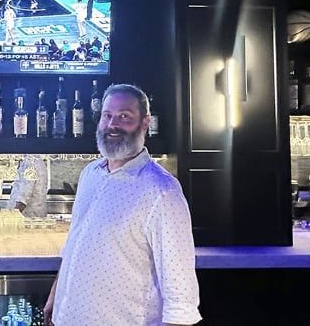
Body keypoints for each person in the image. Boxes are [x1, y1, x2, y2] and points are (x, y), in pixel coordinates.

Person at [44, 84, 201, 326]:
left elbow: (181, 296)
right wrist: (57, 293)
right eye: (107, 116)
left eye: (124, 116)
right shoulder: (90, 174)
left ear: (145, 122)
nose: (112, 124)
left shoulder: (161, 191)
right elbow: (75, 245)